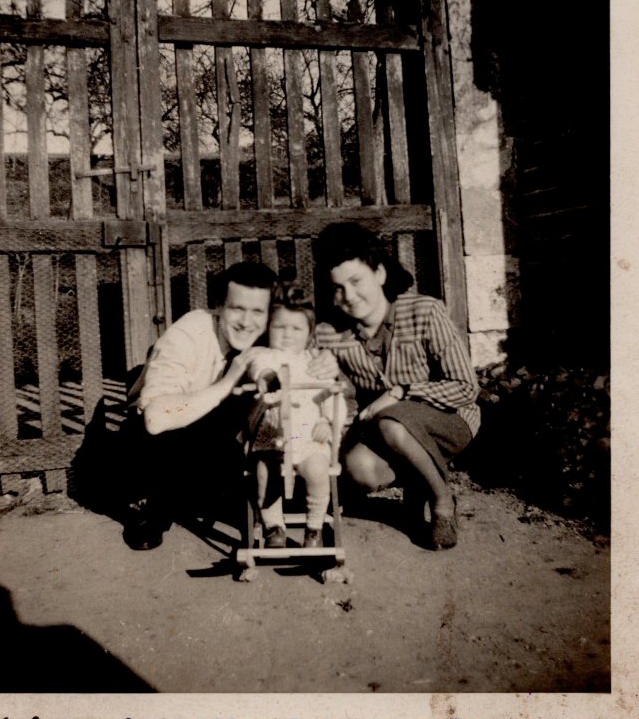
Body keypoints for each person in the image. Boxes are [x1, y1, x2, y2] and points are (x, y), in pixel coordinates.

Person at [314, 222, 480, 550]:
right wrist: (324, 371)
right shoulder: (331, 333)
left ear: (379, 273)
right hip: (386, 431)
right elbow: (312, 378)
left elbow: (466, 387)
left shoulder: (425, 311)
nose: (349, 296)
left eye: (356, 281)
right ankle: (418, 484)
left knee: (393, 420)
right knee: (359, 467)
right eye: (338, 287)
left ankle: (443, 503)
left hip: (450, 421)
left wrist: (401, 391)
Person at [122, 261, 277, 551]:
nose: (246, 321)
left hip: (214, 432)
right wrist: (226, 384)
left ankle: (221, 493)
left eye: (257, 311)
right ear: (218, 306)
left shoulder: (267, 335)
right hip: (161, 435)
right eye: (237, 309)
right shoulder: (189, 333)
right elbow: (156, 420)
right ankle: (149, 504)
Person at [244, 286, 348, 550]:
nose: (287, 335)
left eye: (296, 329)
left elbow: (333, 395)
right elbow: (258, 370)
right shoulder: (262, 355)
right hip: (271, 437)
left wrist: (328, 422)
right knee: (264, 477)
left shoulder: (315, 361)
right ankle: (273, 527)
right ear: (268, 327)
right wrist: (268, 378)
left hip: (308, 438)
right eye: (280, 327)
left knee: (317, 471)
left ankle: (314, 529)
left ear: (310, 334)